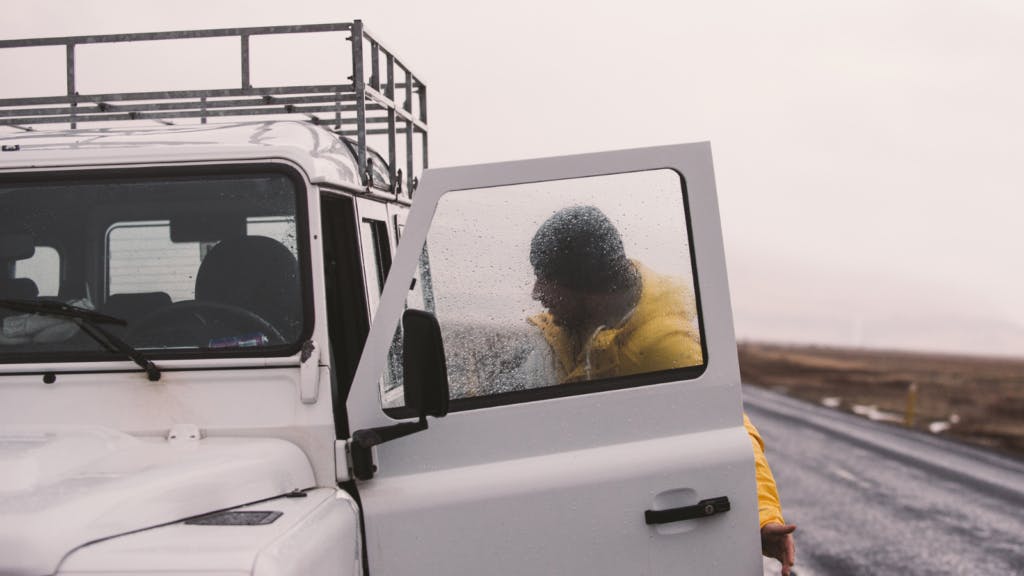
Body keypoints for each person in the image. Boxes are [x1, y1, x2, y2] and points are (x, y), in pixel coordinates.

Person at [527, 205, 796, 574]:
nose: (536, 292)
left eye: (546, 278)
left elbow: (730, 428)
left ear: (585, 285)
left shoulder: (664, 346)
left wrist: (761, 516)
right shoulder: (578, 322)